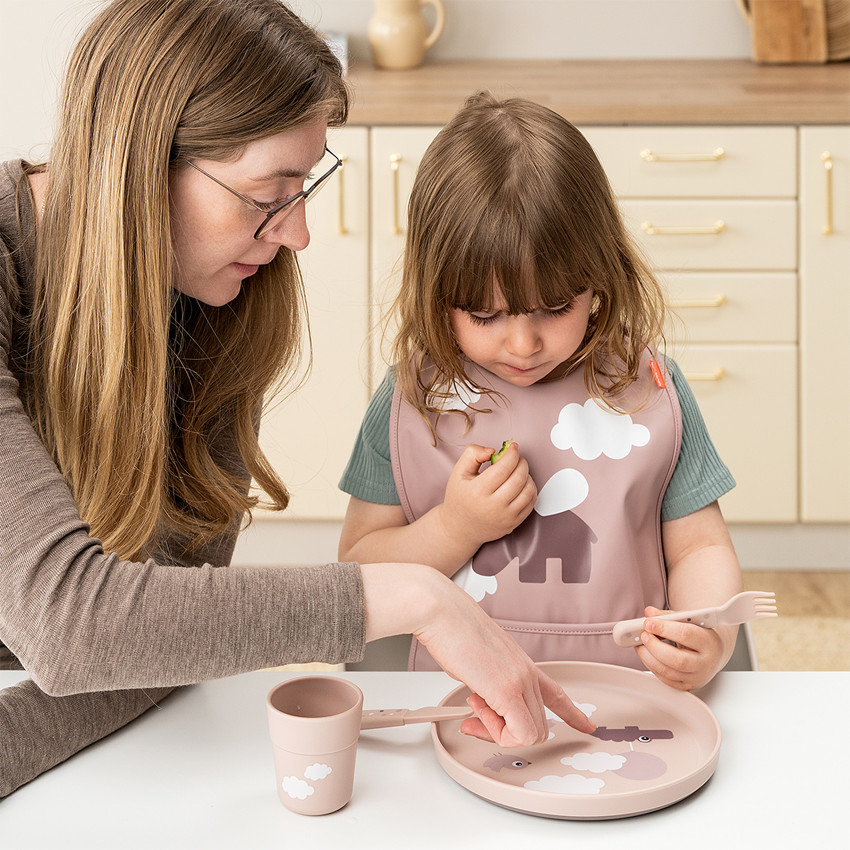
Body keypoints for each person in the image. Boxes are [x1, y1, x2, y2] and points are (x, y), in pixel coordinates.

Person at [0, 4, 594, 798]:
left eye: (303, 186)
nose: (298, 233)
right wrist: (415, 595)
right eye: (267, 195)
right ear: (142, 162)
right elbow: (78, 627)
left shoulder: (205, 296)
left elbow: (158, 641)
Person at [339, 91, 744, 690]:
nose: (523, 344)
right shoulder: (412, 401)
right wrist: (454, 528)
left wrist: (709, 636)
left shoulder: (649, 390)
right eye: (485, 315)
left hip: (628, 695)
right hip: (458, 699)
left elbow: (700, 550)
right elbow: (356, 575)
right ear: (436, 292)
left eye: (554, 308)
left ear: (599, 276)